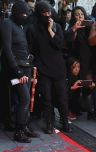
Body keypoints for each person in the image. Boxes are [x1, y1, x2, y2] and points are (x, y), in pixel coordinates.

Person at [27, 1, 72, 134]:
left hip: (58, 68)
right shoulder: (32, 29)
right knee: (47, 98)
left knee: (63, 98)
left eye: (49, 12)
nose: (47, 15)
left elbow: (60, 44)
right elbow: (31, 49)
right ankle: (49, 123)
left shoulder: (56, 26)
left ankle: (65, 122)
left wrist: (50, 30)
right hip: (43, 68)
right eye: (44, 13)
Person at [0, 1, 39, 142]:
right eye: (23, 13)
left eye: (27, 13)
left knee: (23, 100)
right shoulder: (7, 23)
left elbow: (22, 47)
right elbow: (7, 49)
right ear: (16, 13)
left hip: (26, 66)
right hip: (17, 69)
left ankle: (24, 127)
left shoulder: (19, 25)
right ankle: (19, 131)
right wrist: (17, 71)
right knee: (24, 99)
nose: (26, 16)